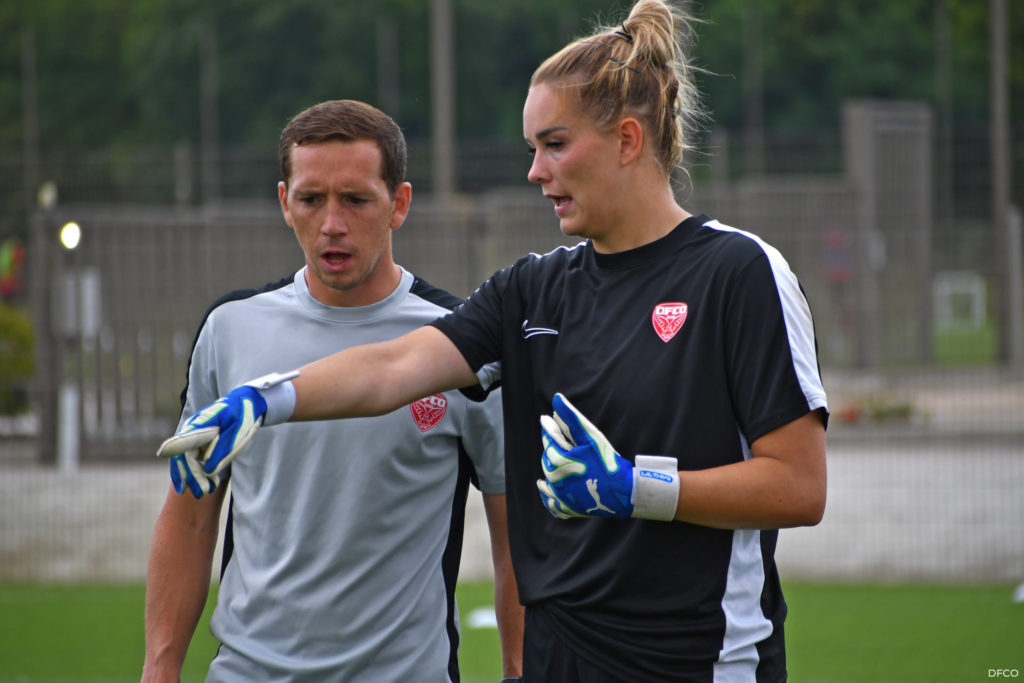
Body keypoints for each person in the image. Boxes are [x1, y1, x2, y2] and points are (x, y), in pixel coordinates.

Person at [157, 1, 828, 680]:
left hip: (698, 662)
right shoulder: (532, 289)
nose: (535, 171)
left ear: (628, 140)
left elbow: (800, 486)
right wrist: (268, 398)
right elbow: (391, 368)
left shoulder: (739, 272)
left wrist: (636, 487)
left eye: (554, 144)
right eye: (532, 149)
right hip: (557, 661)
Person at [142, 100, 523, 682]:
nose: (332, 224)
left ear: (399, 204)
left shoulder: (461, 346)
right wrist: (160, 666)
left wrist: (519, 671)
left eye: (355, 200)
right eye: (311, 199)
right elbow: (191, 517)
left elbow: (514, 536)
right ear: (284, 202)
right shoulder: (230, 330)